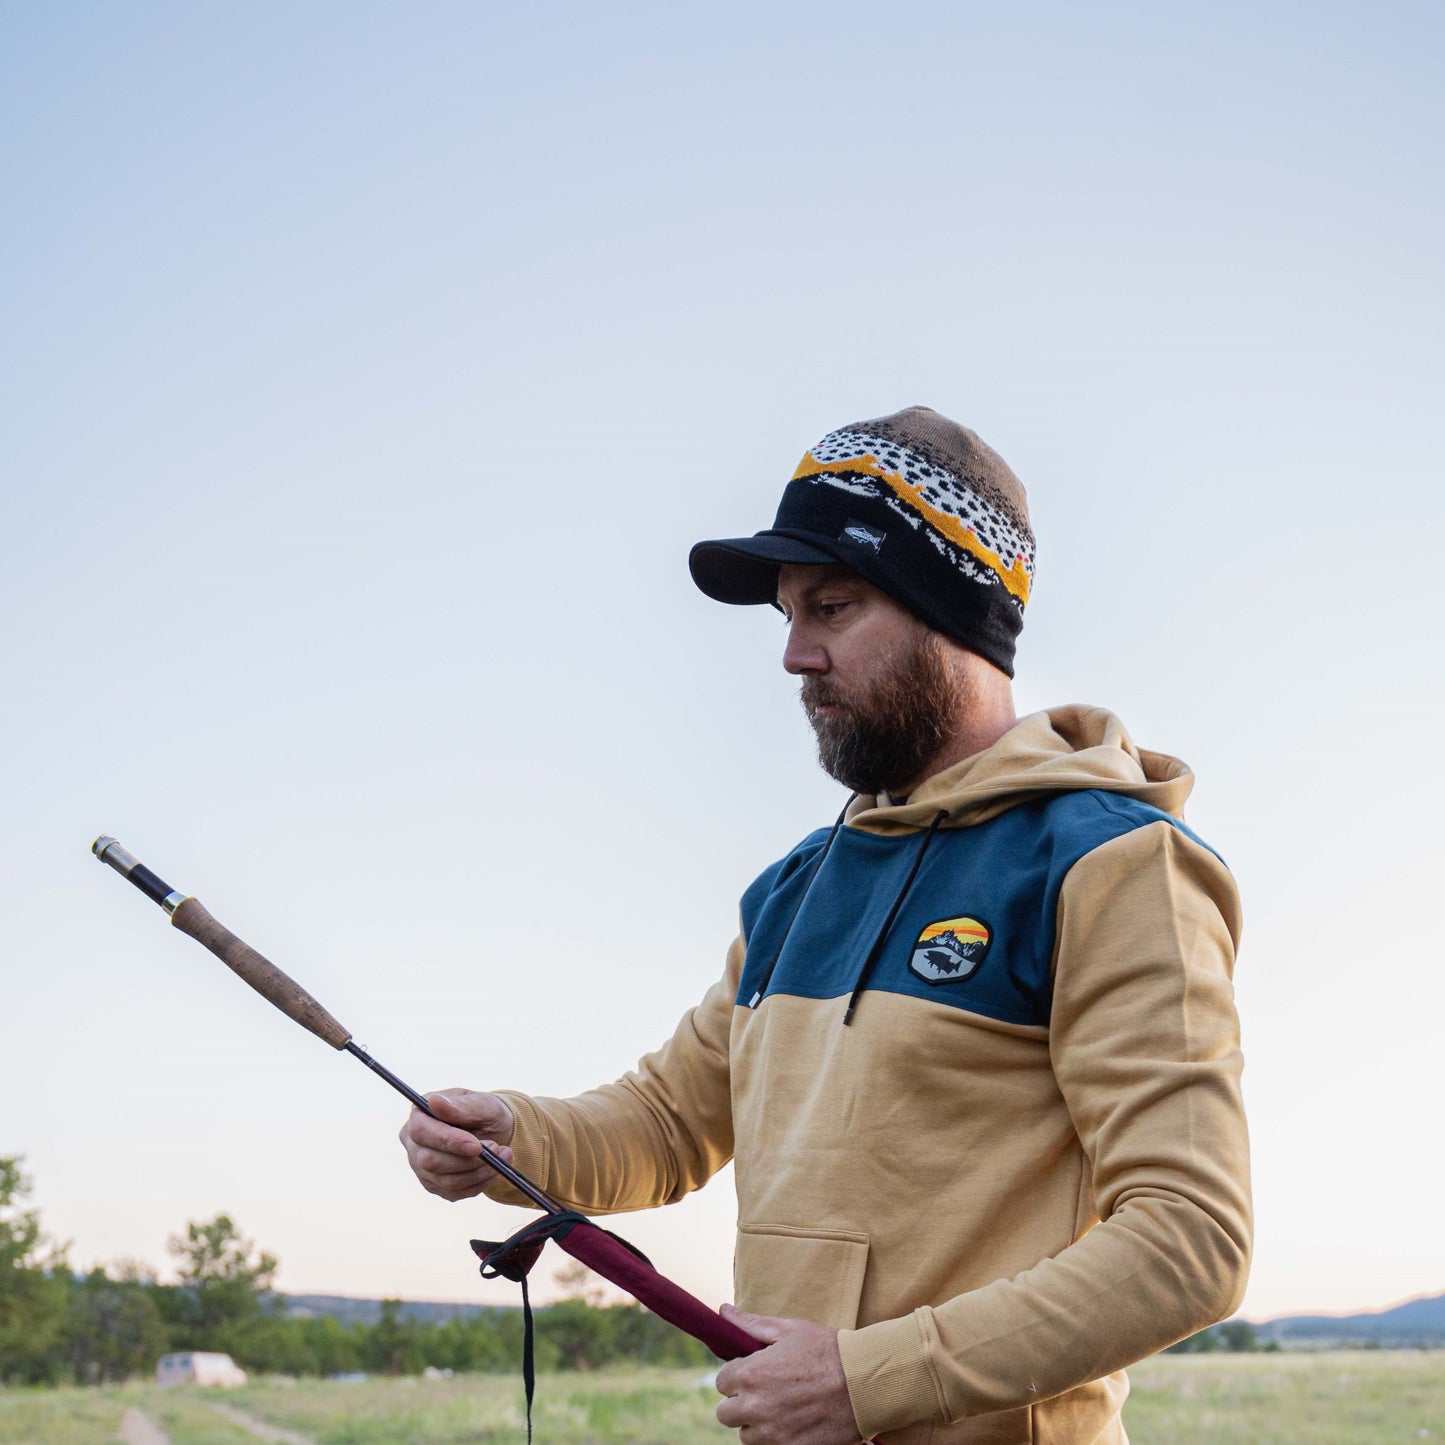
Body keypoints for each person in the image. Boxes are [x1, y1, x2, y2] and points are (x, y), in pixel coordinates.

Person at [399, 406, 1251, 1445]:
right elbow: (671, 1122)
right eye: (786, 616)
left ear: (953, 606)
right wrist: (510, 1136)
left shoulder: (1109, 863)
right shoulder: (793, 888)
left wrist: (867, 1378)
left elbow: (1190, 1238)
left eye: (832, 606)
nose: (796, 655)